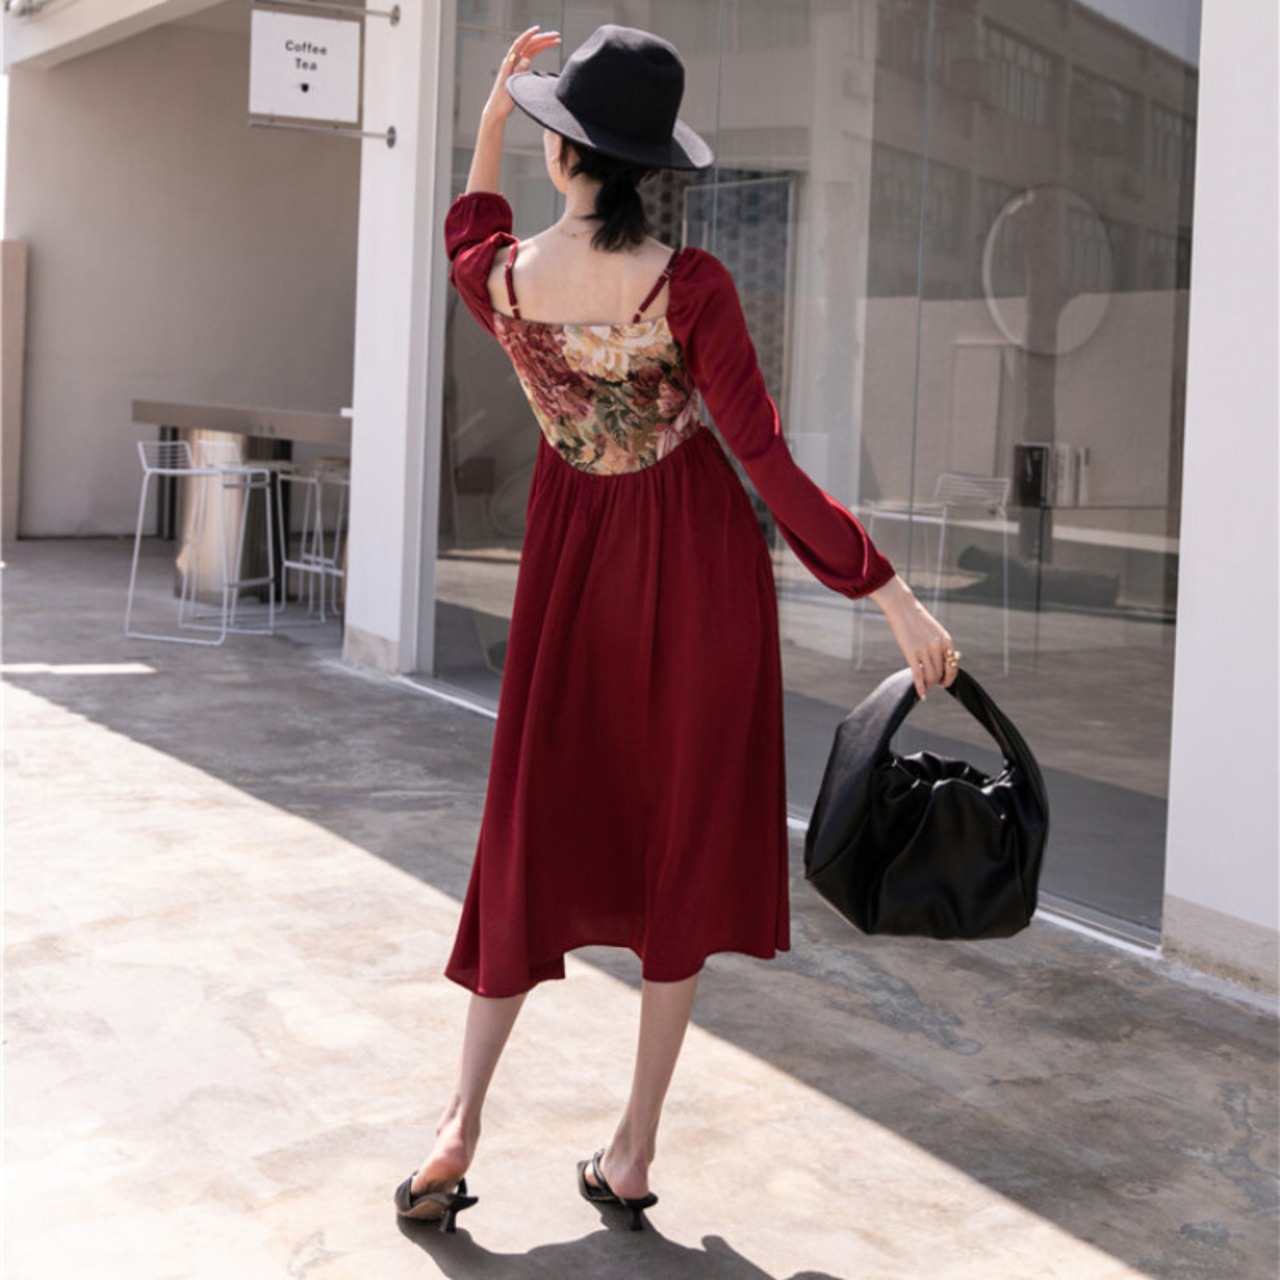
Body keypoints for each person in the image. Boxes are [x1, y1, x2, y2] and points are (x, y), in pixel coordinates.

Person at [395, 24, 960, 1233]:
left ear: (563, 154)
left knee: (532, 819)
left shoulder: (502, 282)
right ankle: (634, 1146)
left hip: (570, 569)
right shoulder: (689, 286)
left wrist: (492, 116)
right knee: (680, 834)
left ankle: (456, 1121)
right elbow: (766, 461)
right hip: (697, 571)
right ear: (651, 167)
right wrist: (888, 592)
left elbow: (463, 229)